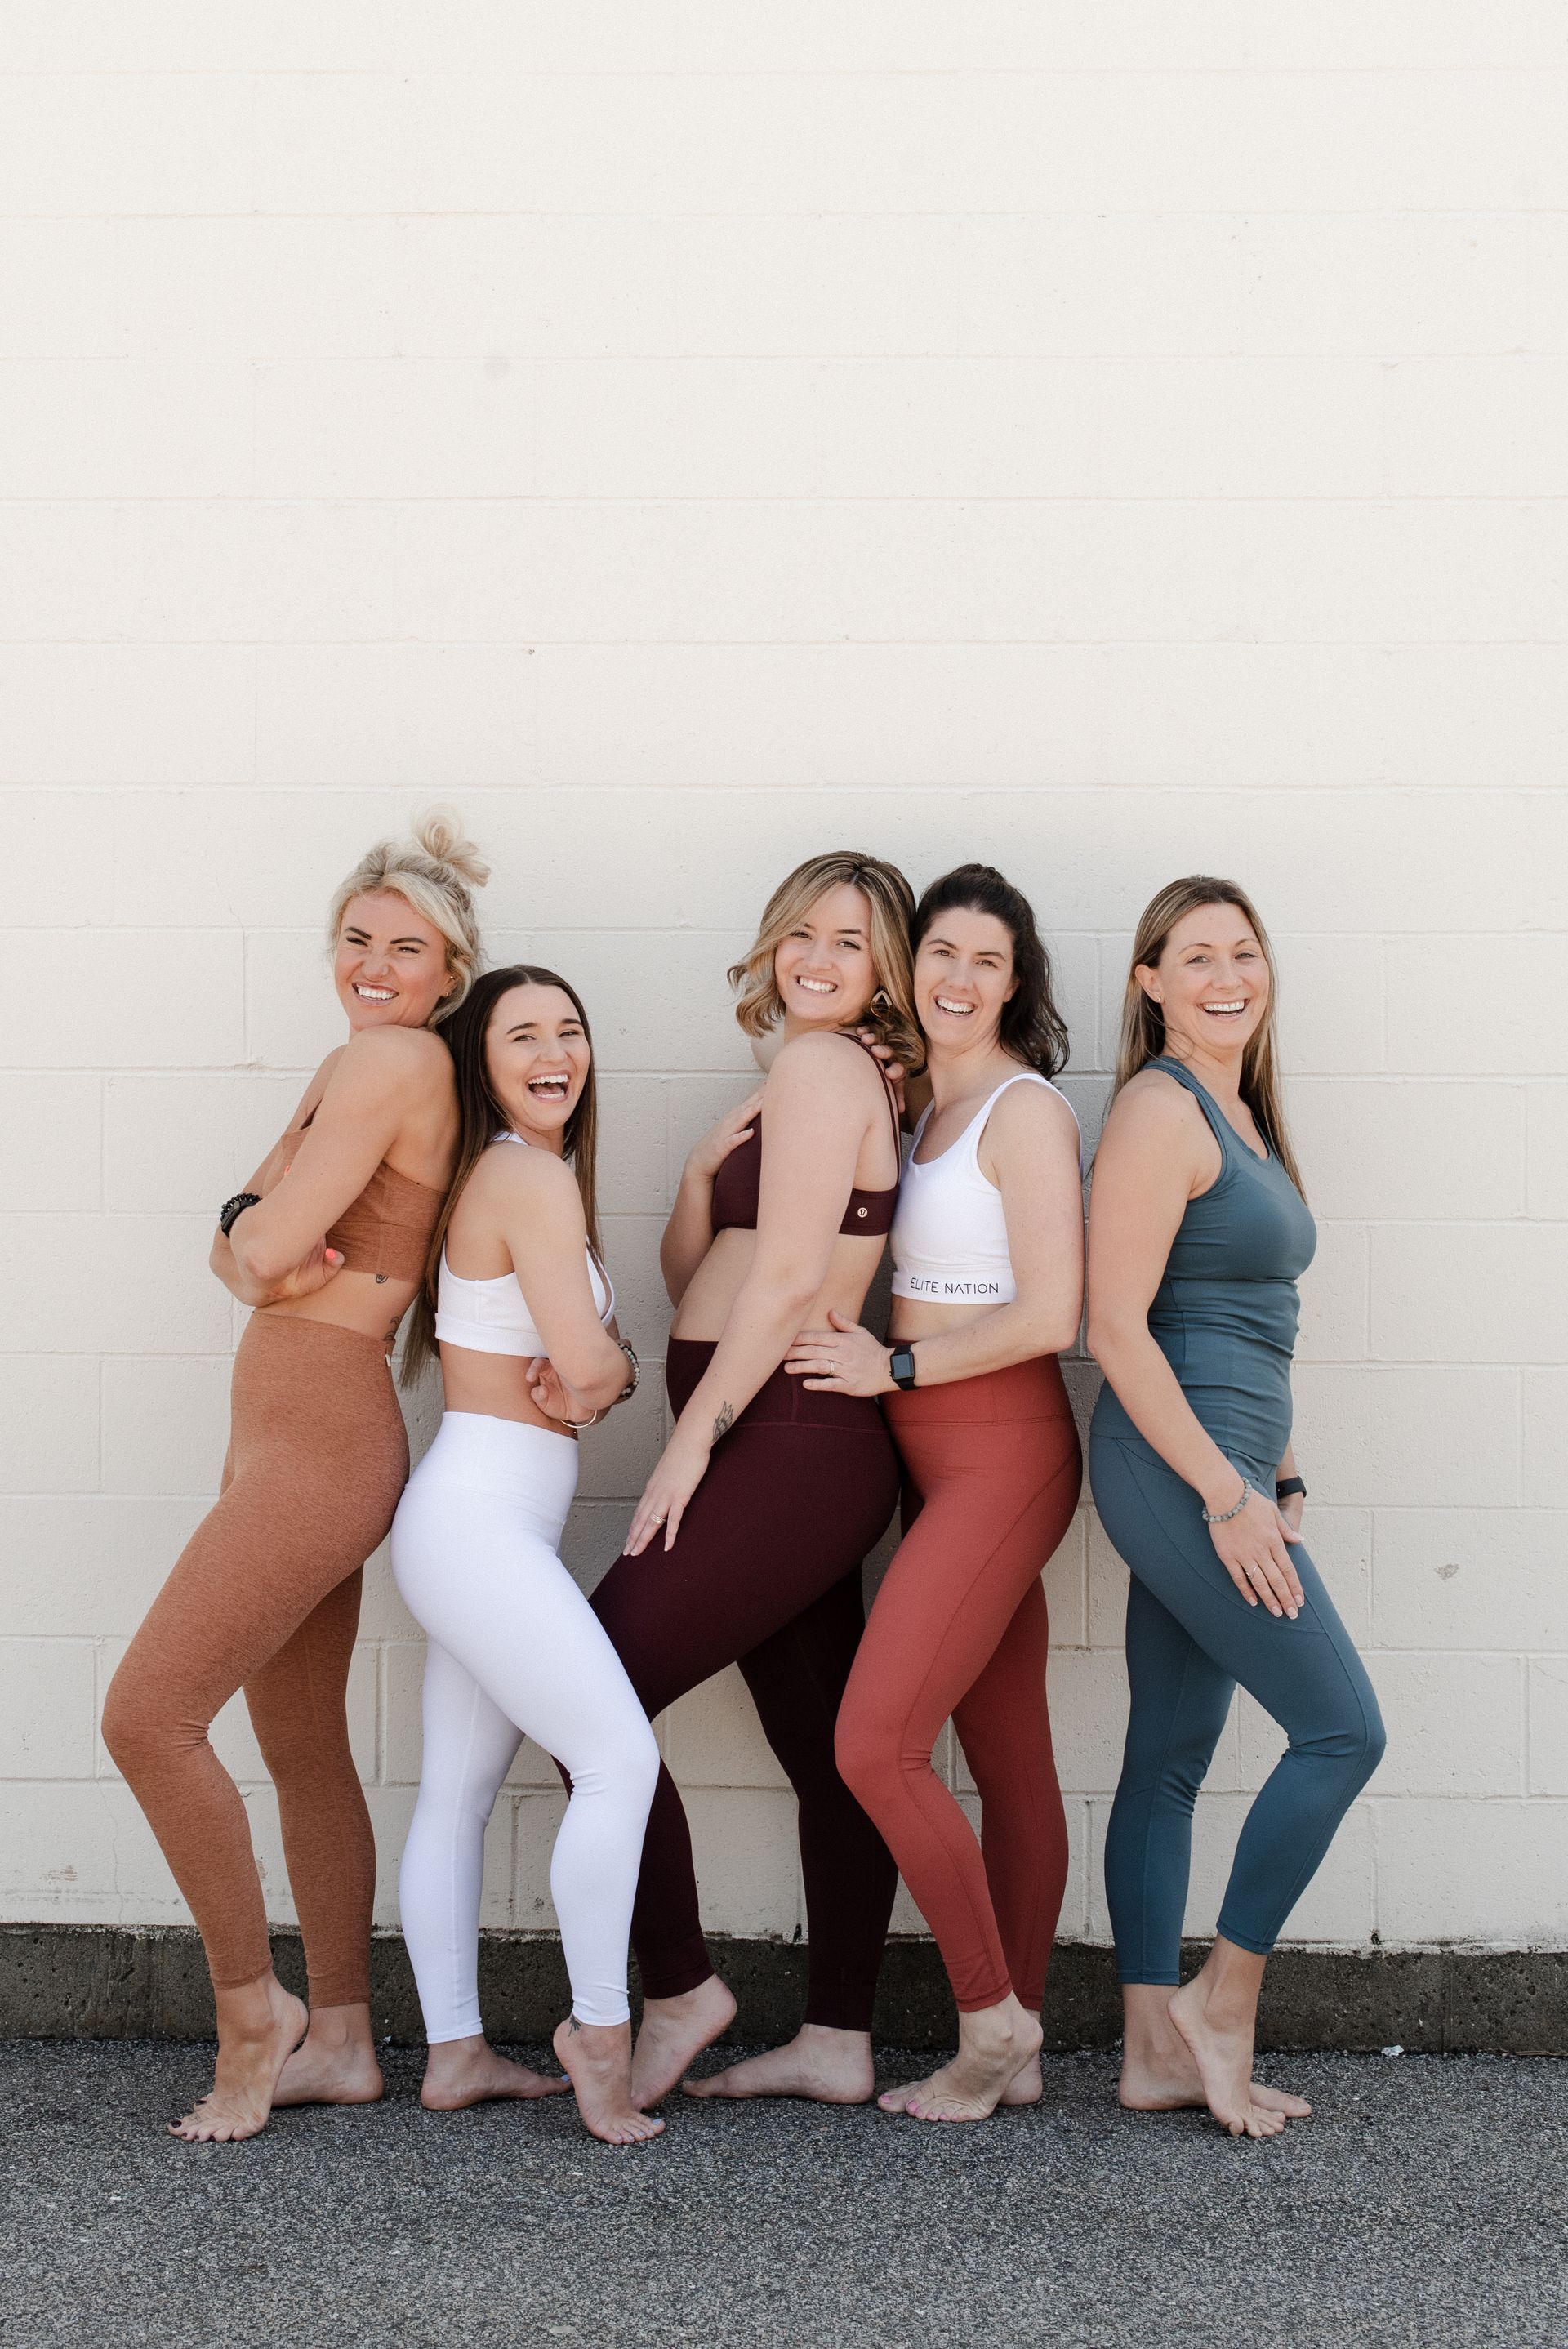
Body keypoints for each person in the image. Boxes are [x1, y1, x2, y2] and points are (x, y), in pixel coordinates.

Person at [102, 813, 487, 2142]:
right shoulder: (367, 1057)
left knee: (146, 1718)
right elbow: (243, 1246)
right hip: (290, 1424)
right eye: (357, 939)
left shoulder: (387, 1059)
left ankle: (248, 2012)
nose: (375, 965)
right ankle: (340, 2036)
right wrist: (250, 1237)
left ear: (453, 970)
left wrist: (253, 1238)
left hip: (321, 1432)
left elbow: (260, 1253)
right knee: (300, 1742)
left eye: (408, 948)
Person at [589, 851, 922, 2111]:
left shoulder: (823, 1068)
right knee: (827, 1748)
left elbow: (783, 1288)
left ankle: (678, 1984)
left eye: (850, 941)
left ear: (886, 966)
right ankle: (838, 2038)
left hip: (785, 1439)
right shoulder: (802, 1076)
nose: (819, 959)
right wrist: (689, 1182)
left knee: (591, 1683)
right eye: (801, 934)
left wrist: (688, 1444)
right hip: (777, 1436)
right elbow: (702, 1276)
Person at [1086, 876, 1385, 2138]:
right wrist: (1224, 1494)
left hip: (1233, 1473)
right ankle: (1225, 2002)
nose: (1226, 974)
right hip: (1178, 1473)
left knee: (1167, 1757)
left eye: (1244, 952)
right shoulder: (1164, 1107)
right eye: (1195, 954)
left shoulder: (1243, 1114)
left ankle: (1151, 2049)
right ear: (1150, 982)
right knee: (1341, 1731)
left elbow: (1255, 1325)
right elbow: (1116, 1324)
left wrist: (1287, 1474)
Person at [786, 863, 1084, 2124]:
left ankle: (989, 2023)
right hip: (930, 1459)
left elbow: (1054, 1313)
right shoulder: (909, 1106)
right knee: (1007, 1753)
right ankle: (1016, 2033)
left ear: (1019, 985)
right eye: (944, 955)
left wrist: (894, 1361)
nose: (960, 980)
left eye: (989, 962)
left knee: (874, 1742)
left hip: (1003, 1454)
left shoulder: (1025, 1112)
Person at [390, 966, 663, 2146]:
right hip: (478, 1522)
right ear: (481, 1060)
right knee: (618, 1759)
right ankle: (600, 2036)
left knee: (455, 1795)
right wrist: (608, 1368)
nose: (556, 1052)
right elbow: (591, 1368)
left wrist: (604, 1367)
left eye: (572, 1029)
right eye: (523, 1034)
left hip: (473, 1521)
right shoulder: (526, 1172)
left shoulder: (521, 1176)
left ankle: (455, 2054)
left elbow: (595, 1366)